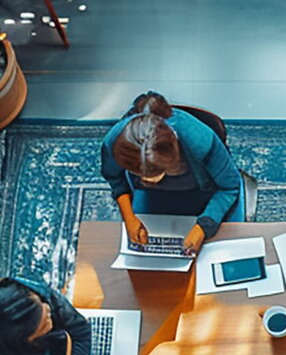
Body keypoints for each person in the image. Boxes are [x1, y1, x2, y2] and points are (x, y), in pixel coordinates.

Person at [99, 92, 245, 255]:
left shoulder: (200, 141)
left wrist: (204, 227)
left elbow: (229, 187)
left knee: (230, 245)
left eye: (156, 172)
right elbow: (114, 178)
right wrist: (129, 217)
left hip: (202, 192)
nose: (147, 180)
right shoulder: (116, 143)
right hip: (153, 197)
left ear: (175, 155)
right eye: (138, 173)